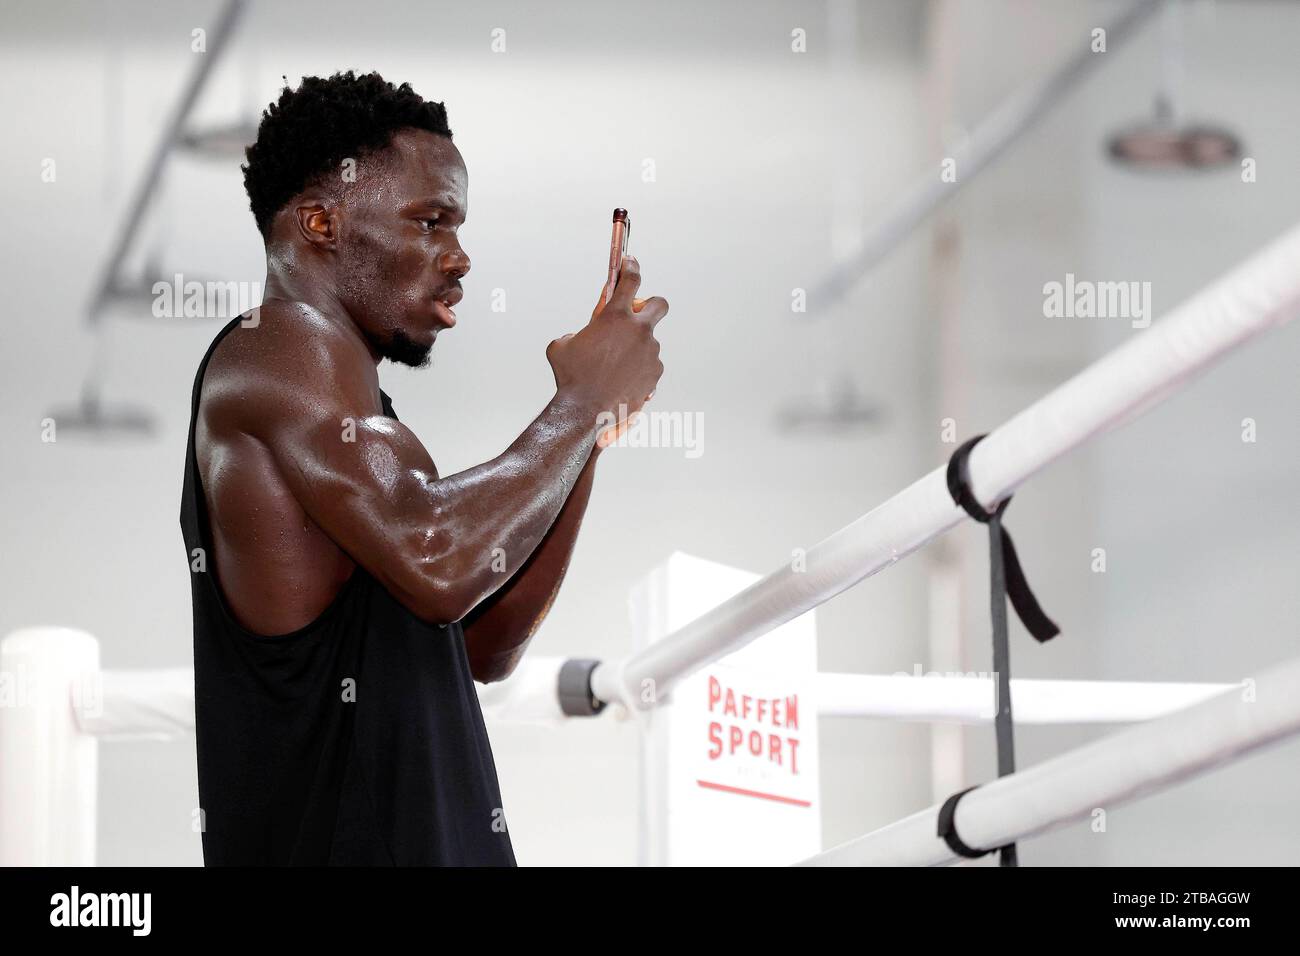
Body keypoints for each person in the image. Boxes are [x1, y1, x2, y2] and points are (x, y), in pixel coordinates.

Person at [178, 71, 668, 865]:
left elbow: (484, 641)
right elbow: (437, 561)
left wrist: (587, 436)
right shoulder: (276, 350)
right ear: (319, 221)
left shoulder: (360, 421)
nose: (460, 256)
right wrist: (578, 405)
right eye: (431, 220)